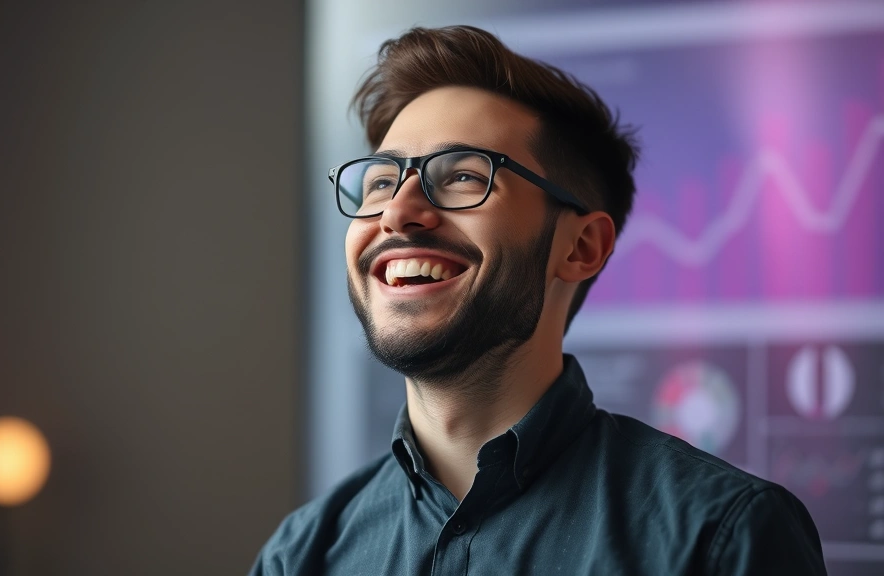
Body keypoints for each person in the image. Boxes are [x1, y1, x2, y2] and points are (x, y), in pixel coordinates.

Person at [251, 25, 826, 575]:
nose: (397, 211)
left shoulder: (721, 536)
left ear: (580, 247)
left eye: (462, 176)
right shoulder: (300, 556)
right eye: (380, 181)